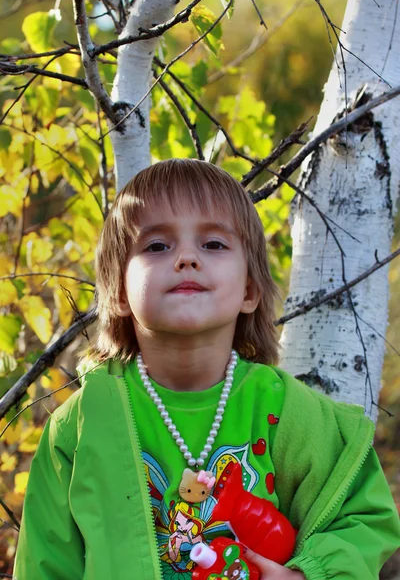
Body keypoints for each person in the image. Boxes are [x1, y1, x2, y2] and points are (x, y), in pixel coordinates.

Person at [14, 159, 400, 580]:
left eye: (213, 244)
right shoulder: (82, 425)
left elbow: (362, 516)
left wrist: (309, 574)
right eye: (157, 246)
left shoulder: (283, 410)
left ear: (250, 289)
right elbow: (44, 565)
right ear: (119, 292)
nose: (186, 258)